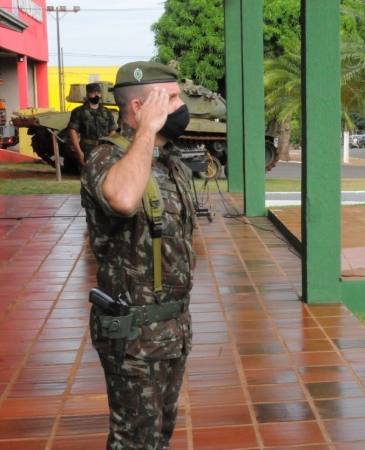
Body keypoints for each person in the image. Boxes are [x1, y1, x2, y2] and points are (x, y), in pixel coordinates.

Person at [81, 61, 196, 449]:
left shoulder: (171, 163)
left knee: (158, 434)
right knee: (135, 440)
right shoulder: (107, 159)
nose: (181, 106)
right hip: (134, 335)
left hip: (170, 330)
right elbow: (125, 199)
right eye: (172, 98)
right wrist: (147, 128)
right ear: (138, 109)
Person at [67, 82, 117, 165]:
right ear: (87, 95)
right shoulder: (79, 111)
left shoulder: (106, 112)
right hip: (87, 150)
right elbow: (72, 131)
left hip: (103, 149)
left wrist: (109, 146)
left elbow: (112, 130)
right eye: (93, 93)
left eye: (98, 93)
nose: (96, 95)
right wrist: (79, 151)